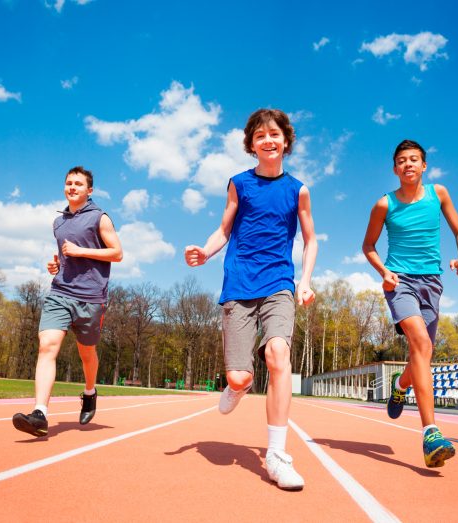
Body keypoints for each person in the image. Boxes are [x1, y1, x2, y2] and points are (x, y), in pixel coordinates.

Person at [185, 108, 317, 490]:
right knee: (240, 376)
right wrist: (205, 252)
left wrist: (304, 281)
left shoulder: (298, 190)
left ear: (286, 142)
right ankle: (238, 385)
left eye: (274, 135)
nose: (268, 141)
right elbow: (224, 229)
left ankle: (276, 455)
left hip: (279, 282)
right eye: (260, 136)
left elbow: (311, 240)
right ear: (252, 145)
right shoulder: (238, 184)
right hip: (240, 283)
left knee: (278, 355)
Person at [362, 139, 458, 467]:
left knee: (422, 354)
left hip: (432, 283)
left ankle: (400, 384)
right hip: (400, 283)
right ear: (395, 169)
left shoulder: (440, 194)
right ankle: (431, 433)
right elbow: (368, 246)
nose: (408, 164)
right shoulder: (385, 204)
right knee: (420, 342)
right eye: (401, 161)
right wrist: (384, 271)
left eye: (414, 160)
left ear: (424, 166)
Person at [12, 166, 123, 437]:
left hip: (91, 298)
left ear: (89, 190)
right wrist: (56, 264)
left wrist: (79, 250)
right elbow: (63, 254)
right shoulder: (58, 221)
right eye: (68, 183)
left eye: (78, 184)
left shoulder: (100, 217)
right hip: (60, 292)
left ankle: (89, 392)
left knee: (87, 354)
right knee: (47, 346)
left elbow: (117, 253)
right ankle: (40, 413)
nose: (72, 187)